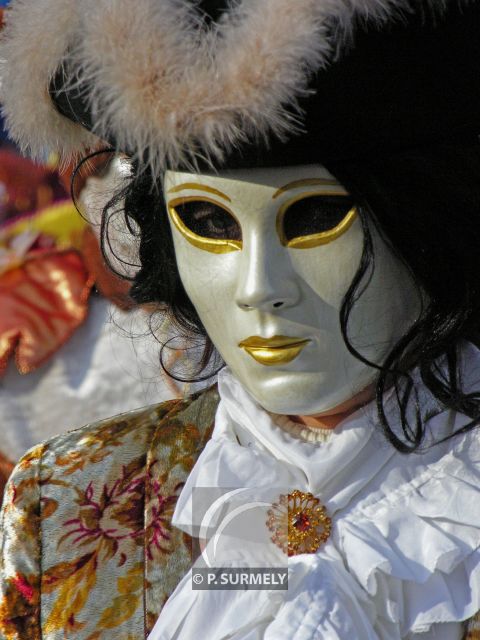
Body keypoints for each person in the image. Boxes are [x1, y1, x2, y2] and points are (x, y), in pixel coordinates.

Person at [0, 1, 479, 638]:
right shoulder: (64, 500)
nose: (259, 290)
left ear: (429, 225)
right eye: (209, 222)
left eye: (312, 219)